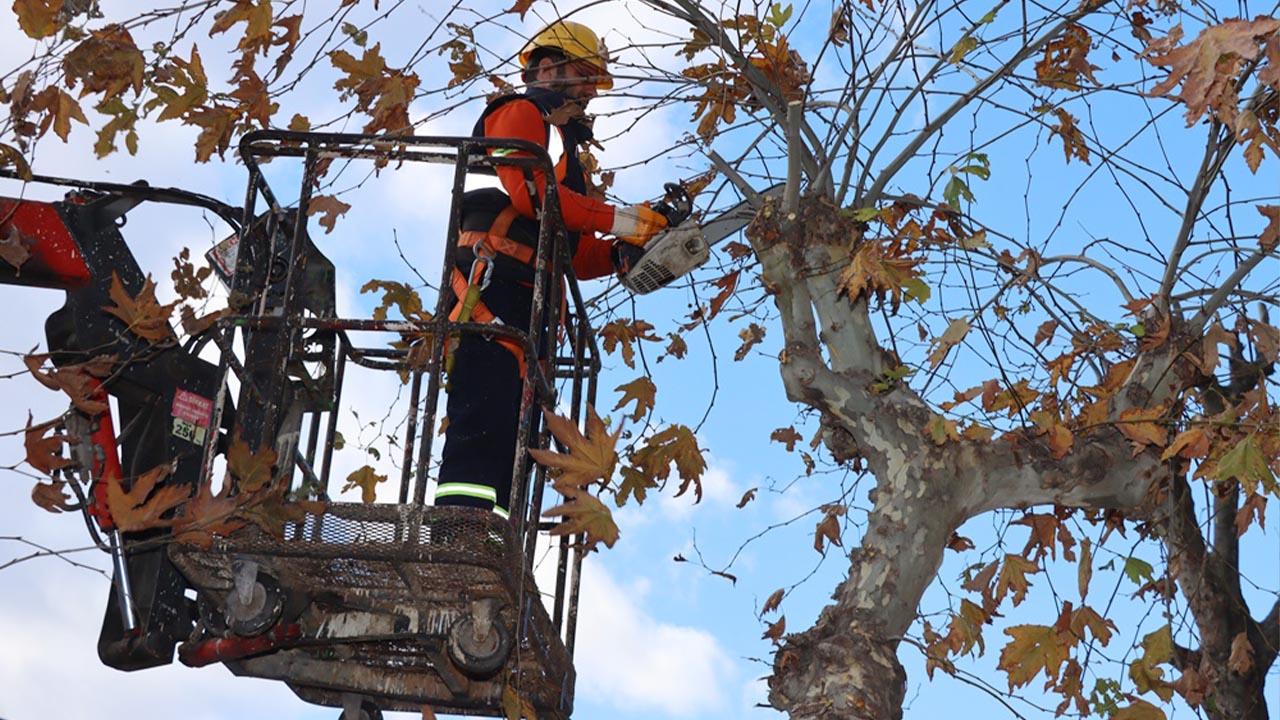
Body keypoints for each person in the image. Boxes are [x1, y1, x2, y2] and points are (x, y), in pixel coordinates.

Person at [434, 20, 670, 517]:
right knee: (479, 429)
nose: (589, 90)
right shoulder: (517, 113)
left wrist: (619, 253)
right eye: (583, 74)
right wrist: (625, 221)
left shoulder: (563, 151)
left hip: (530, 319)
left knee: (509, 452)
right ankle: (455, 541)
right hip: (491, 302)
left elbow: (573, 254)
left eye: (593, 81)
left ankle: (492, 546)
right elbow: (534, 196)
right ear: (546, 67)